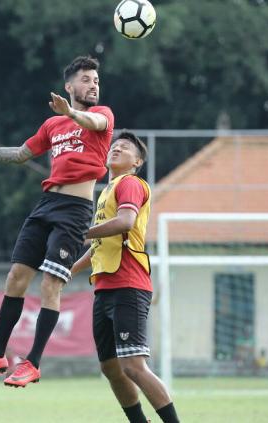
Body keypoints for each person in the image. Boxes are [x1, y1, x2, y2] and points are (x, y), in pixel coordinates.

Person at [0, 55, 114, 387]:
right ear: (69, 86)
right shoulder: (52, 125)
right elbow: (20, 155)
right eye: (85, 80)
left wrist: (71, 113)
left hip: (75, 211)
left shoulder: (101, 115)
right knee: (15, 278)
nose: (92, 85)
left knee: (51, 284)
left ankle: (33, 363)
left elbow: (94, 124)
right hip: (46, 204)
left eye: (95, 80)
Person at [71, 133, 180, 423]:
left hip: (128, 285)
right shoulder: (106, 191)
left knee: (133, 365)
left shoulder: (130, 183)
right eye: (115, 146)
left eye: (126, 148)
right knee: (111, 367)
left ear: (138, 162)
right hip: (105, 288)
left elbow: (126, 222)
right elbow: (98, 247)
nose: (117, 148)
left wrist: (84, 232)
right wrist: (68, 271)